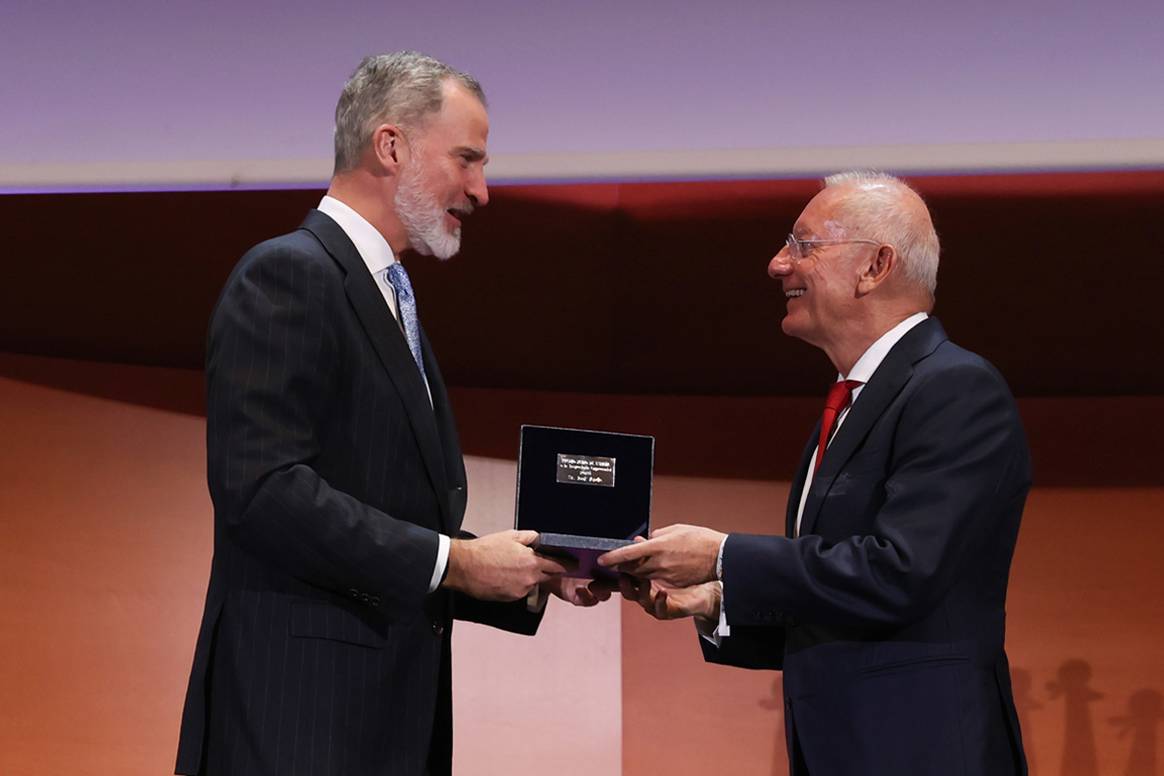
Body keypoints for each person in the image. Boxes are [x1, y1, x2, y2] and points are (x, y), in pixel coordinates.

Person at [175, 51, 606, 776]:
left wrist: (534, 570)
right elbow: (264, 489)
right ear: (391, 146)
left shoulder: (386, 293)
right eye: (467, 159)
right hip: (298, 724)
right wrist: (456, 562)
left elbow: (383, 504)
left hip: (378, 725)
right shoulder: (289, 274)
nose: (482, 190)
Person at [600, 171, 1030, 775]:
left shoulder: (955, 388)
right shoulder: (856, 397)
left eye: (803, 246)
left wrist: (723, 556)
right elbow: (848, 605)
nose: (778, 265)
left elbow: (898, 573)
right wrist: (717, 602)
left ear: (875, 266)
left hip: (923, 754)